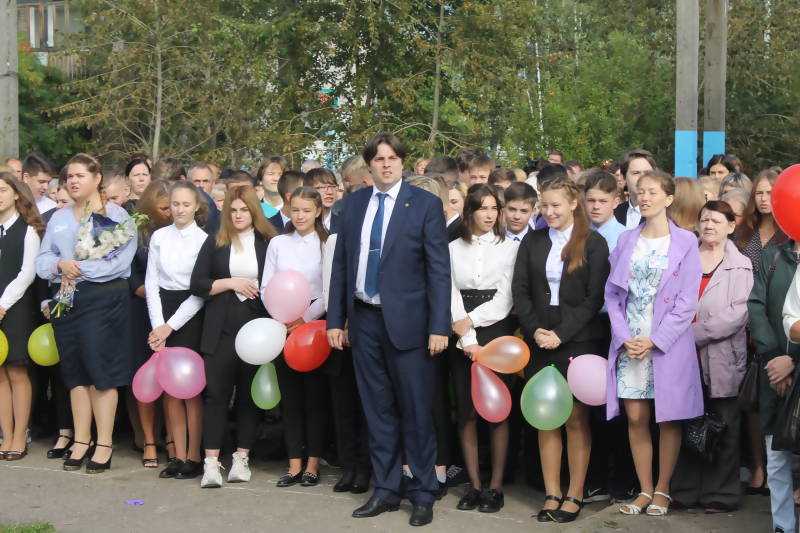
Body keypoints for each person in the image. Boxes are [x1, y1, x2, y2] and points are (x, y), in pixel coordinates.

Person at [326, 132, 450, 527]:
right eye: (379, 159)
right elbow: (341, 265)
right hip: (364, 320)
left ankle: (424, 492)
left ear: (402, 162)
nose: (386, 164)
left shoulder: (425, 205)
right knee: (377, 410)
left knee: (415, 411)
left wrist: (438, 325)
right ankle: (385, 489)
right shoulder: (353, 204)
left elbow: (439, 270)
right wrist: (335, 320)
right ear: (369, 165)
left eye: (392, 158)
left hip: (410, 325)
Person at [605, 170, 703, 516]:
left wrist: (656, 340)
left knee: (668, 417)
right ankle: (644, 489)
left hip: (666, 343)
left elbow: (687, 301)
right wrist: (624, 337)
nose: (644, 197)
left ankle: (663, 489)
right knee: (635, 416)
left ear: (669, 198)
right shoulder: (626, 240)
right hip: (630, 340)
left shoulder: (686, 241)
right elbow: (613, 295)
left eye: (652, 192)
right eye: (640, 192)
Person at [512, 177, 610, 523]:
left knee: (575, 418)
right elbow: (520, 290)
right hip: (539, 337)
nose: (549, 211)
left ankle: (575, 493)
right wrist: (535, 330)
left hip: (578, 339)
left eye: (556, 205)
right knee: (546, 417)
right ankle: (551, 492)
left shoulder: (593, 243)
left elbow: (594, 298)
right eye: (545, 205)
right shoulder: (533, 240)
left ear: (573, 204)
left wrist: (561, 334)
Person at [35, 153, 138, 474]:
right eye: (69, 176)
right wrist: (59, 265)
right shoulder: (59, 217)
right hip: (67, 298)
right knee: (75, 371)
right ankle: (81, 440)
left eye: (80, 175)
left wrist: (79, 270)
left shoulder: (117, 214)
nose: (73, 181)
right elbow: (43, 259)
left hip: (102, 299)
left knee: (99, 371)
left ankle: (104, 443)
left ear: (96, 178)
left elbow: (120, 263)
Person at [190, 185, 277, 488]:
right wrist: (231, 282)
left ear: (254, 211)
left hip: (257, 328)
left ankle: (242, 457)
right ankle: (211, 463)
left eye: (244, 209)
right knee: (216, 394)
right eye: (233, 210)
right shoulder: (216, 241)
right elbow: (198, 284)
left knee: (248, 397)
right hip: (220, 327)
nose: (238, 215)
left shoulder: (269, 242)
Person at [671, 201, 753, 512]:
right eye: (705, 220)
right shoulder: (683, 258)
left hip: (722, 356)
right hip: (682, 356)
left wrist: (691, 333)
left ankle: (722, 493)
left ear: (731, 226)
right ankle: (684, 489)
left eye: (717, 221)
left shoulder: (741, 265)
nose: (709, 226)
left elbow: (738, 314)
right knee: (687, 422)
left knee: (724, 423)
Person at [448, 185, 518, 513]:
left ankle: (496, 486)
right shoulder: (452, 248)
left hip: (496, 332)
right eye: (482, 208)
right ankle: (474, 485)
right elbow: (450, 292)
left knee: (497, 410)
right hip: (461, 334)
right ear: (470, 211)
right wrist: (467, 338)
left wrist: (472, 322)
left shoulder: (510, 248)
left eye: (494, 208)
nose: (489, 215)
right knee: (467, 411)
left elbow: (505, 297)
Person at [261, 187, 330, 488]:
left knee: (314, 398)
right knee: (290, 398)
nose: (300, 216)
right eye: (296, 210)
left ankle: (313, 463)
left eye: (307, 210)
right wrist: (282, 316)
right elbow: (266, 285)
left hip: (313, 327)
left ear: (318, 211)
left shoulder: (327, 243)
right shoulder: (278, 243)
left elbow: (328, 288)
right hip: (282, 325)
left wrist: (306, 318)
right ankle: (293, 464)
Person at [145, 182, 208, 480]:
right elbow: (152, 282)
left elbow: (199, 292)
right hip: (162, 310)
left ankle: (194, 455)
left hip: (190, 313)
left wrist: (170, 327)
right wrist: (158, 326)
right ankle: (177, 454)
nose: (180, 210)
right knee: (169, 388)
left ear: (196, 207)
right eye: (175, 204)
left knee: (190, 388)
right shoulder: (159, 237)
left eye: (186, 204)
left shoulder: (203, 240)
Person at [734, 169, 787, 496]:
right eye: (760, 193)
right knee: (752, 400)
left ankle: (783, 471)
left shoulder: (789, 233)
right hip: (743, 324)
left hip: (780, 326)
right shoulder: (744, 232)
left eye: (771, 192)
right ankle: (757, 466)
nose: (765, 199)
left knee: (781, 399)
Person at [749, 236, 800, 533]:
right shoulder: (774, 256)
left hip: (794, 366)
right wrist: (774, 360)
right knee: (776, 454)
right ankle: (783, 525)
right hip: (773, 368)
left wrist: (792, 360)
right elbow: (757, 306)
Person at [0, 175, 44, 460]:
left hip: (16, 308)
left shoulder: (27, 230)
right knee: (0, 373)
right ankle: (5, 435)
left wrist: (2, 304)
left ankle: (20, 435)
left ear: (16, 194)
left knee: (17, 371)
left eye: (3, 190)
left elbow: (27, 274)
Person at [129, 180, 172, 468]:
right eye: (164, 208)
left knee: (170, 377)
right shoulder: (136, 231)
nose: (169, 213)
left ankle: (171, 436)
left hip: (173, 312)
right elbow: (129, 272)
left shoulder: (179, 231)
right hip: (141, 309)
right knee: (144, 376)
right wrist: (148, 291)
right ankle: (147, 439)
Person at [613, 149, 657, 228]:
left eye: (647, 173)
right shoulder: (613, 214)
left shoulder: (665, 213)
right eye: (636, 173)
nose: (642, 178)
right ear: (623, 178)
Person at [584, 169, 625, 251]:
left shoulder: (626, 238)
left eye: (603, 201)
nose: (596, 206)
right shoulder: (574, 233)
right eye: (591, 200)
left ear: (616, 202)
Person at [304, 168, 340, 232]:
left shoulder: (344, 224)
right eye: (323, 187)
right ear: (309, 190)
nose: (330, 192)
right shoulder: (297, 224)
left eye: (333, 186)